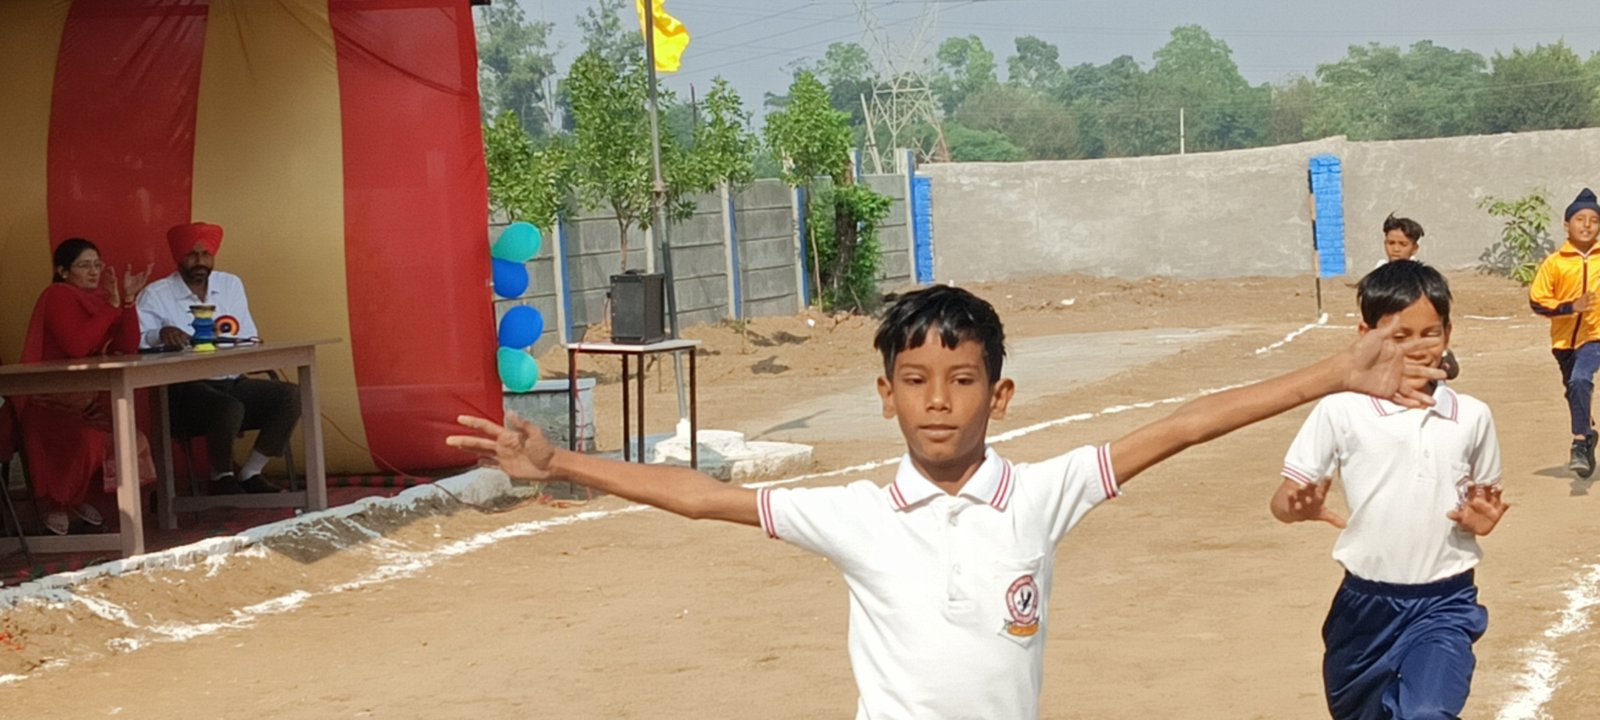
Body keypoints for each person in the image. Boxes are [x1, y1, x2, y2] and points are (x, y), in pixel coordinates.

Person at [448, 284, 1444, 719]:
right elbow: (704, 498)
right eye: (915, 381)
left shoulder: (1042, 493)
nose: (938, 401)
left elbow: (1183, 426)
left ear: (997, 395)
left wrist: (1330, 375)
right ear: (885, 395)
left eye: (961, 380)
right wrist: (563, 462)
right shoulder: (855, 512)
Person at [1271, 260, 1506, 720]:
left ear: (1448, 332)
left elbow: (1483, 500)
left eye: (1430, 333)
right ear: (1366, 335)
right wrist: (1296, 507)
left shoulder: (1472, 415)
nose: (1417, 347)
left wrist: (1482, 521)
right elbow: (1284, 501)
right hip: (1364, 610)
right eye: (1399, 336)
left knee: (1426, 712)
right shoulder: (1342, 410)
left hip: (1446, 602)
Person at [137, 222, 300, 495]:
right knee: (228, 407)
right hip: (183, 391)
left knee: (291, 396)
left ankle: (251, 473)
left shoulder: (230, 284)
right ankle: (221, 476)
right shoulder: (156, 294)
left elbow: (249, 335)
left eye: (206, 254)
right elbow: (137, 342)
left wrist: (225, 337)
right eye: (192, 255)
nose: (200, 262)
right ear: (178, 257)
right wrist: (160, 334)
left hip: (230, 380)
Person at [16, 238, 157, 535]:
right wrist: (112, 307)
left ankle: (75, 499)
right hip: (49, 406)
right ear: (63, 271)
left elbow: (127, 346)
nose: (93, 272)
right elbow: (77, 346)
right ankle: (58, 503)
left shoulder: (101, 300)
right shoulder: (57, 295)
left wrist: (128, 302)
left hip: (84, 405)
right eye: (84, 265)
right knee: (90, 441)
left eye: (97, 264)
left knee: (133, 438)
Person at [1529, 188, 1600, 478]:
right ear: (1566, 225)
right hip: (1563, 341)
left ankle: (1579, 443)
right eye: (1580, 219)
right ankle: (1589, 433)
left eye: (1594, 220)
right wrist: (1571, 307)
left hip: (1595, 337)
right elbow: (1537, 301)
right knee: (1573, 389)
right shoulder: (1555, 263)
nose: (1587, 225)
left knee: (1581, 378)